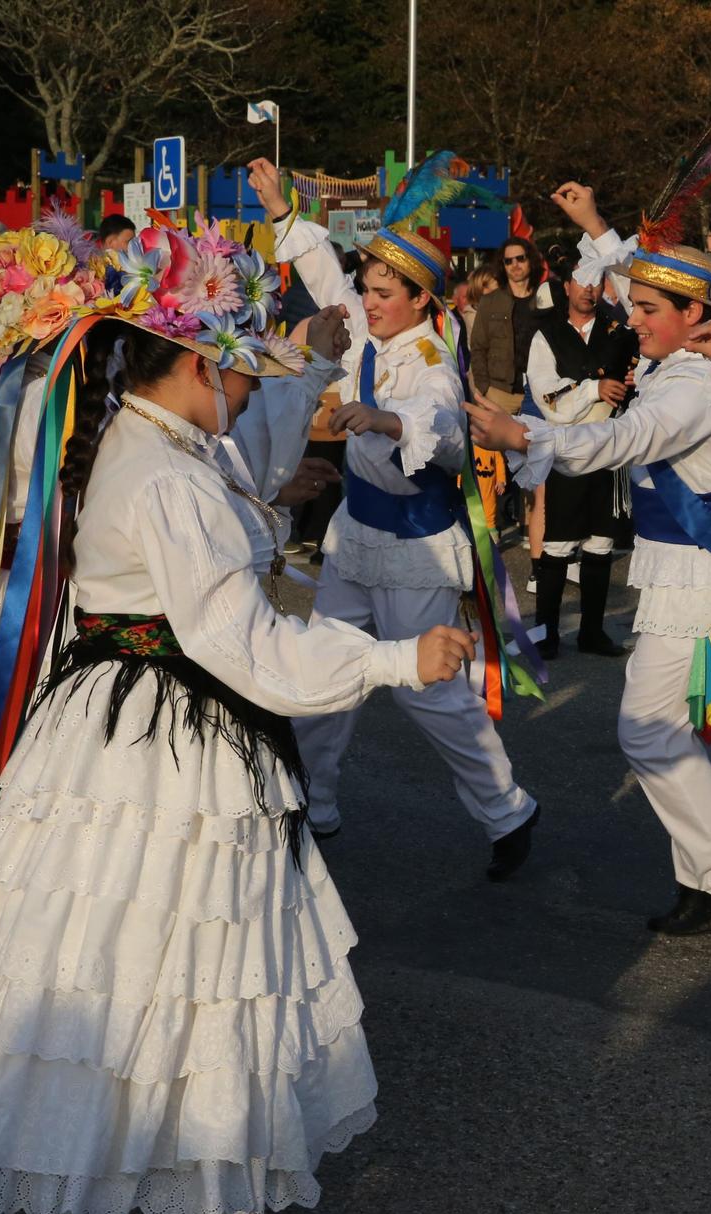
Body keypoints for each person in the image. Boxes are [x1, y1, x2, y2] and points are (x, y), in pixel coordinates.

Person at [0, 296, 476, 1214]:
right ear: (195, 369)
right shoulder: (167, 473)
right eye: (245, 372)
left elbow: (232, 521)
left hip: (153, 726)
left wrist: (292, 414)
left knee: (188, 971)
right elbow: (238, 640)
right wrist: (395, 656)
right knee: (120, 969)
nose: (254, 389)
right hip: (164, 741)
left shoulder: (159, 438)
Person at [468, 180, 711, 937]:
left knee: (648, 729)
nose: (632, 316)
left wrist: (527, 437)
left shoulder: (695, 389)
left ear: (694, 318)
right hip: (697, 579)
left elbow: (622, 440)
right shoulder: (681, 361)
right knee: (698, 726)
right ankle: (702, 876)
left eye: (650, 311)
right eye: (635, 306)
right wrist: (591, 222)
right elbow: (641, 280)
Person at [289, 207, 540, 877]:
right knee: (322, 666)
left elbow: (443, 429)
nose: (367, 303)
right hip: (355, 536)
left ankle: (507, 808)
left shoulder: (431, 358)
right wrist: (285, 211)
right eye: (367, 288)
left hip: (416, 548)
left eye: (382, 293)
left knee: (427, 692)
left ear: (420, 298)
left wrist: (385, 419)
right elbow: (328, 284)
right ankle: (314, 805)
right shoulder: (370, 328)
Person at [522, 261, 639, 658]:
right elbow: (547, 398)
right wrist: (592, 389)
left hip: (609, 449)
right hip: (567, 451)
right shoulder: (547, 335)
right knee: (558, 543)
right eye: (581, 282)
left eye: (596, 281)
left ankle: (591, 632)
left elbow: (637, 380)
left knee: (601, 543)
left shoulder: (620, 333)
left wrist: (633, 388)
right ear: (567, 285)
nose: (589, 290)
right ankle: (546, 634)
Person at [467, 235, 547, 413]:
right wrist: (485, 388)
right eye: (508, 261)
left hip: (541, 392)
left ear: (530, 260)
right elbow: (478, 347)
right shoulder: (489, 302)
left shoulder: (546, 297)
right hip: (500, 394)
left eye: (520, 258)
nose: (515, 265)